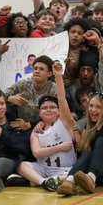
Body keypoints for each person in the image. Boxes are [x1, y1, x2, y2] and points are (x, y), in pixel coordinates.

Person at [57, 46, 103, 196]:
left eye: (98, 107)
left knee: (101, 142)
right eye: (91, 106)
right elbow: (62, 100)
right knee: (88, 151)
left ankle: (90, 178)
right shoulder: (87, 128)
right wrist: (58, 76)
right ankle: (69, 181)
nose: (93, 110)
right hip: (100, 176)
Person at [17, 62, 79, 191]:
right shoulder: (36, 131)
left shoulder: (64, 123)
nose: (48, 110)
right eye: (44, 108)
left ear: (58, 111)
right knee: (21, 166)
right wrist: (60, 147)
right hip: (44, 169)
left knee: (78, 172)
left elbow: (61, 99)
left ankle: (39, 182)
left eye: (52, 107)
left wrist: (58, 76)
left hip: (65, 169)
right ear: (39, 112)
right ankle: (44, 182)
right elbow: (37, 153)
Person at [4, 55, 56, 127]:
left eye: (41, 69)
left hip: (45, 125)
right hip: (20, 123)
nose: (37, 71)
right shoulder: (22, 84)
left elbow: (57, 114)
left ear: (49, 73)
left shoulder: (54, 88)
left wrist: (29, 125)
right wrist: (9, 98)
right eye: (35, 68)